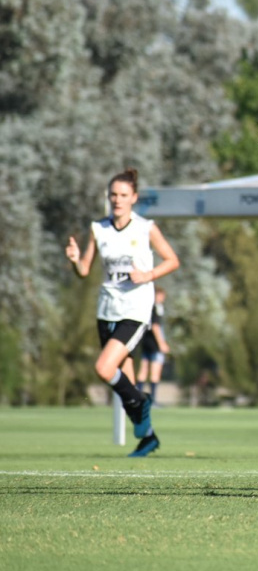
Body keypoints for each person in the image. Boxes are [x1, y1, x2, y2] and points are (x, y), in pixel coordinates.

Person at [65, 168, 180, 457]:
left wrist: (149, 274)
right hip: (107, 310)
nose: (117, 200)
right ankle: (148, 437)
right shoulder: (98, 228)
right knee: (124, 382)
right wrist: (75, 261)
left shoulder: (145, 227)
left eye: (123, 195)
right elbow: (84, 271)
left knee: (104, 369)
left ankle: (143, 404)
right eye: (113, 195)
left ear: (134, 198)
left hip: (135, 309)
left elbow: (172, 260)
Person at [135, 288, 170, 405]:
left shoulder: (146, 308)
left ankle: (138, 397)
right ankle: (152, 400)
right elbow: (155, 326)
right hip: (154, 344)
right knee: (155, 371)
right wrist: (162, 344)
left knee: (143, 370)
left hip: (145, 342)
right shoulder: (156, 308)